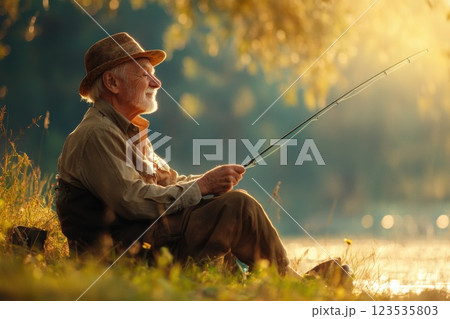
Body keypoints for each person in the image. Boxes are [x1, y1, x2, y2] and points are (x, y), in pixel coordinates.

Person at [56, 32, 338, 281]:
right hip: (119, 255)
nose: (156, 83)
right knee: (238, 207)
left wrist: (209, 182)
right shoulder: (96, 134)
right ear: (112, 83)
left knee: (220, 200)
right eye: (145, 74)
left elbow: (168, 183)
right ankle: (292, 285)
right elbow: (132, 200)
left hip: (143, 240)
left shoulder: (129, 132)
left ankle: (281, 280)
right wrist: (201, 187)